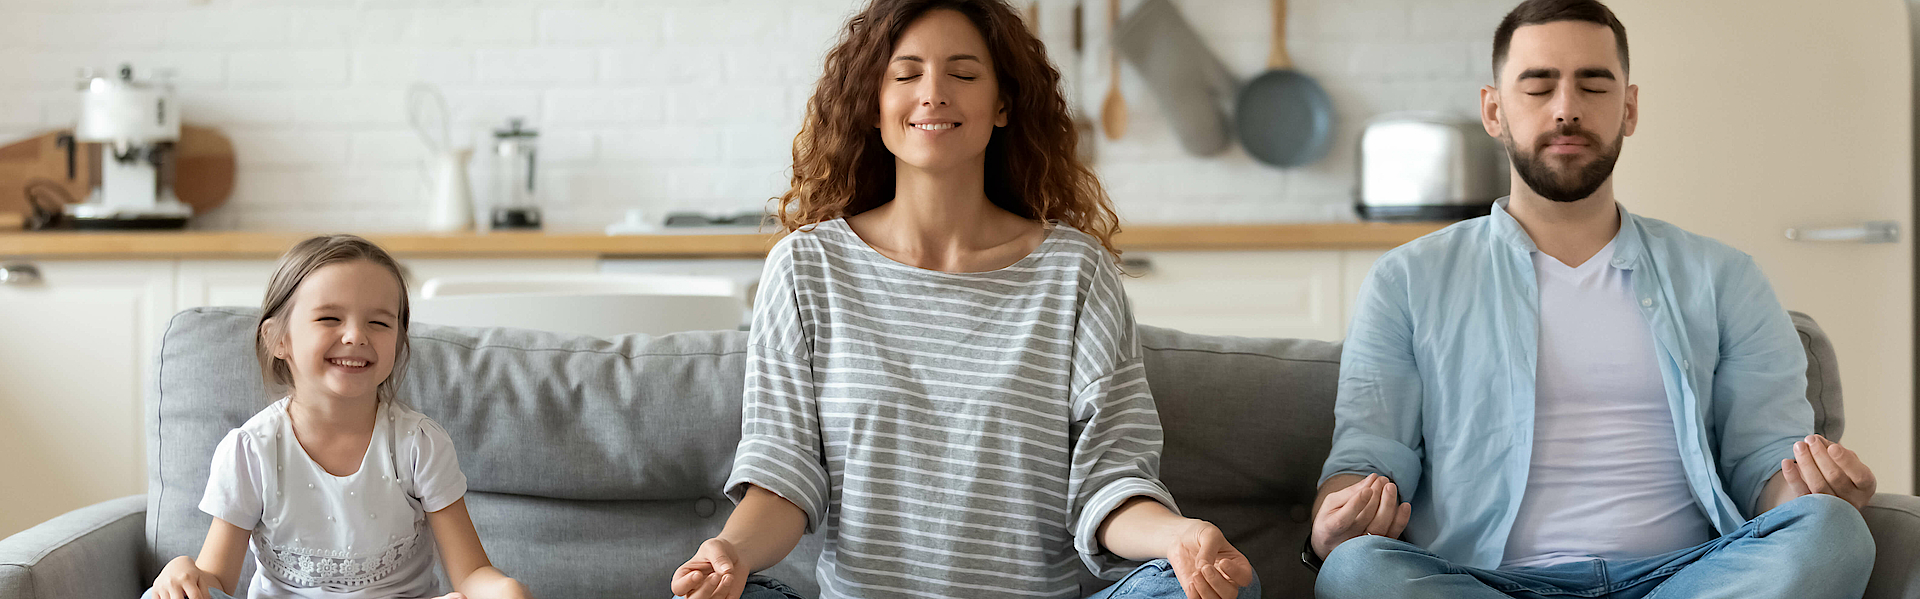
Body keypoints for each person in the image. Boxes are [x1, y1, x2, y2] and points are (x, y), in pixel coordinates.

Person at [666, 2, 1259, 599]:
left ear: (1002, 105)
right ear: (873, 104)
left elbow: (1111, 478)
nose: (934, 94)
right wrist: (732, 552)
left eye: (964, 74)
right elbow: (782, 474)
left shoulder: (1075, 271)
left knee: (1207, 588)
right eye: (907, 74)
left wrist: (1176, 537)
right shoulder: (805, 267)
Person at [1307, 1, 1878, 597]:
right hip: (1485, 583)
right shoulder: (1406, 280)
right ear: (1494, 111)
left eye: (1593, 84)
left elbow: (1763, 460)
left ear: (1628, 108)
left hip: (1683, 579)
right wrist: (1335, 522)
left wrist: (1812, 491)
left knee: (1832, 531)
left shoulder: (1725, 278)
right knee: (1356, 572)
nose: (1566, 109)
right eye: (1538, 86)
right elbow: (1370, 452)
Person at [143, 235, 529, 599]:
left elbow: (472, 572)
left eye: (379, 323)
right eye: (330, 318)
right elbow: (216, 580)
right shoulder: (251, 450)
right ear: (279, 339)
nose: (356, 335)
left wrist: (503, 590)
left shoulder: (420, 445)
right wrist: (184, 572)